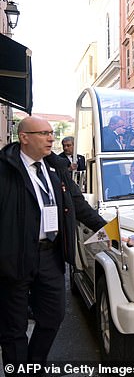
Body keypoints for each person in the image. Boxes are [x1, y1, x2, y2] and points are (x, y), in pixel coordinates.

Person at [0, 116, 107, 370]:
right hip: (14, 257)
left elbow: (78, 204)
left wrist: (107, 229)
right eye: (44, 133)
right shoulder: (5, 168)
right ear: (24, 137)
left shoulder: (55, 167)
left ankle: (34, 366)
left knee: (53, 316)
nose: (51, 138)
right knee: (13, 326)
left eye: (51, 133)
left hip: (51, 255)